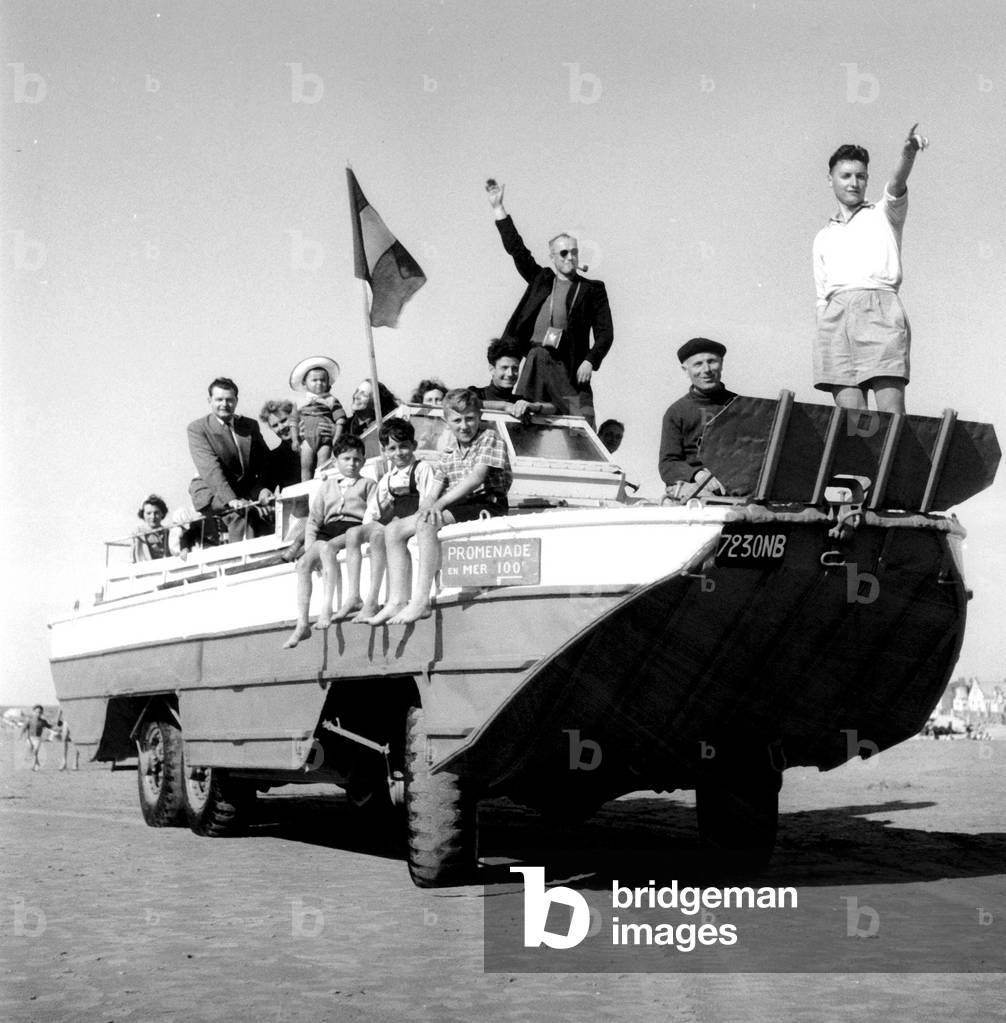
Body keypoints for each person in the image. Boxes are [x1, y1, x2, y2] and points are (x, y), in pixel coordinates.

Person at [813, 124, 929, 414]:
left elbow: (897, 183)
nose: (854, 183)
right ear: (831, 180)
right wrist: (825, 329)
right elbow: (820, 296)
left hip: (880, 309)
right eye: (846, 176)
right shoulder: (823, 236)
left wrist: (908, 151)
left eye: (860, 176)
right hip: (835, 319)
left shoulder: (884, 214)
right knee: (854, 425)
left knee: (891, 416)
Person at [373, 388, 512, 625]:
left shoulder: (489, 438)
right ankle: (397, 600)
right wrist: (423, 510)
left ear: (479, 417)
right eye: (457, 420)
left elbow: (476, 478)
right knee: (393, 530)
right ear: (447, 422)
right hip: (460, 505)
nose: (464, 425)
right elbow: (434, 490)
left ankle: (421, 601)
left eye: (470, 418)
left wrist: (436, 506)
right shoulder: (449, 452)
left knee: (428, 523)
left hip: (487, 502)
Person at [487, 178, 613, 425]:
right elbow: (517, 250)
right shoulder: (541, 279)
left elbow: (606, 333)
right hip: (536, 361)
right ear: (552, 257)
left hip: (570, 367)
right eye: (563, 253)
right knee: (528, 418)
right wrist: (498, 208)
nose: (569, 257)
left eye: (574, 252)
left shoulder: (591, 289)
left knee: (581, 424)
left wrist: (590, 360)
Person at [283, 435, 377, 648]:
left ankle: (326, 609)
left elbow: (371, 515)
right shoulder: (326, 487)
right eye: (346, 459)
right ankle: (302, 623)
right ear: (336, 462)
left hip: (351, 529)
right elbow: (314, 521)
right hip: (327, 530)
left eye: (356, 459)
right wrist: (308, 548)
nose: (351, 464)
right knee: (303, 564)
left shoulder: (368, 485)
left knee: (327, 550)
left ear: (363, 461)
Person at [362, 419, 444, 625]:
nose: (399, 453)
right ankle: (383, 600)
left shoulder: (422, 468)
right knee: (377, 533)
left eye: (404, 446)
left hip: (417, 519)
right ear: (385, 452)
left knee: (394, 530)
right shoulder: (388, 479)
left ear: (414, 446)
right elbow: (372, 512)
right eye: (392, 448)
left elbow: (427, 501)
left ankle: (405, 599)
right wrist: (369, 530)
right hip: (400, 524)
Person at [188, 377, 273, 544]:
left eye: (229, 400)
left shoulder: (249, 425)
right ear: (210, 401)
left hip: (244, 490)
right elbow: (211, 469)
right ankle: (242, 561)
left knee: (270, 512)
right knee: (241, 514)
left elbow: (264, 461)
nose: (224, 404)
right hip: (211, 489)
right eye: (219, 399)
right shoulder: (198, 429)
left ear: (236, 401)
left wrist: (263, 488)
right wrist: (231, 499)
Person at [658, 338, 737, 499]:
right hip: (695, 486)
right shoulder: (677, 412)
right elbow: (668, 464)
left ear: (721, 363)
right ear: (685, 369)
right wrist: (698, 476)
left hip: (736, 483)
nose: (706, 369)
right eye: (698, 364)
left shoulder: (741, 406)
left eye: (712, 361)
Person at [468, 337, 557, 420]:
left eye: (515, 368)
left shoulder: (519, 401)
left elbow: (555, 408)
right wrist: (505, 406)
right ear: (492, 369)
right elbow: (466, 403)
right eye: (504, 368)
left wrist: (534, 406)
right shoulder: (476, 394)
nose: (510, 374)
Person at [288, 356, 347, 481]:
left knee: (323, 466)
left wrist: (336, 437)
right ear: (305, 383)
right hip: (306, 439)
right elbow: (293, 422)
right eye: (314, 380)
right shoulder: (299, 402)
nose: (319, 383)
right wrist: (294, 439)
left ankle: (321, 487)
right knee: (305, 466)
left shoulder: (331, 400)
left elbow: (340, 419)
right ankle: (306, 487)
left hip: (325, 439)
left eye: (323, 380)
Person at [132, 494, 169, 562]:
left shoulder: (167, 531)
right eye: (148, 513)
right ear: (143, 514)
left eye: (156, 513)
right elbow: (136, 555)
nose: (153, 517)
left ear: (162, 513)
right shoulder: (139, 531)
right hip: (147, 568)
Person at [21, 705, 53, 772]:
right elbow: (24, 728)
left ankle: (33, 766)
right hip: (29, 738)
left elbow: (49, 726)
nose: (38, 714)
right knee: (31, 751)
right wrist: (21, 736)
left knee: (35, 751)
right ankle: (37, 763)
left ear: (42, 713)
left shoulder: (43, 721)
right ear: (33, 712)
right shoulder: (29, 720)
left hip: (38, 739)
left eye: (40, 712)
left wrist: (55, 724)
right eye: (37, 712)